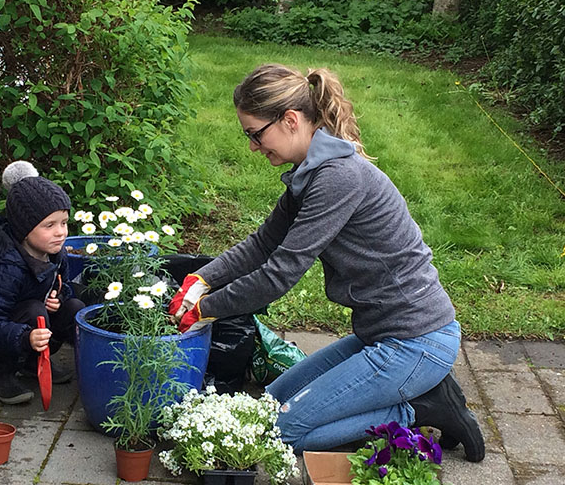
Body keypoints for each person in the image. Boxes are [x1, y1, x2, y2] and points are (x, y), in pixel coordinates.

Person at [169, 63, 485, 462]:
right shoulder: (310, 172)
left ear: (290, 120)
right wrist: (200, 278)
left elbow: (279, 274)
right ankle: (410, 396)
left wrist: (205, 309)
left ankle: (419, 409)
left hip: (416, 342)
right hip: (379, 335)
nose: (252, 146)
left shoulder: (337, 178)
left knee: (285, 433)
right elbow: (263, 244)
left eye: (255, 134)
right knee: (268, 405)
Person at [0, 161, 85, 404]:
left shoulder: (56, 253)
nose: (60, 232)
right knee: (34, 310)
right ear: (24, 230)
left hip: (30, 323)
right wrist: (26, 338)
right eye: (49, 225)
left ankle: (34, 363)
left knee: (74, 308)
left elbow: (63, 284)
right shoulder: (3, 266)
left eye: (64, 222)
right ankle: (1, 377)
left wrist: (59, 296)